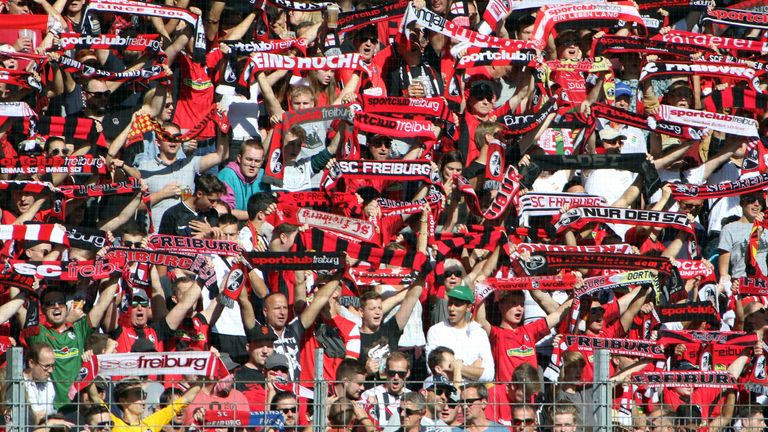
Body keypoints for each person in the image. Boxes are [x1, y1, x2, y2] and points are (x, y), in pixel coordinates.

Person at [426, 285, 495, 382]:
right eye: (450, 303)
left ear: (469, 307)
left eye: (457, 304)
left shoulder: (479, 333)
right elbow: (432, 369)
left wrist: (456, 367)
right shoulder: (435, 331)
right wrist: (472, 369)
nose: (451, 308)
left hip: (472, 392)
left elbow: (488, 375)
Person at [158, 173, 226, 237]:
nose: (215, 205)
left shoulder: (213, 214)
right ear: (199, 194)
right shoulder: (172, 214)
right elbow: (162, 244)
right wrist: (202, 235)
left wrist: (212, 233)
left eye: (217, 201)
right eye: (212, 201)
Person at [217, 139, 269, 220]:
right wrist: (256, 215)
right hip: (230, 223)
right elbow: (224, 211)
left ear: (262, 161)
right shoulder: (227, 175)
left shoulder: (265, 176)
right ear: (239, 158)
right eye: (249, 159)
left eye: (257, 161)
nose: (253, 165)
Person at [23, 343, 57, 423]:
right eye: (46, 366)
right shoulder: (19, 384)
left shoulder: (48, 382)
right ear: (31, 363)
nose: (51, 370)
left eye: (52, 365)